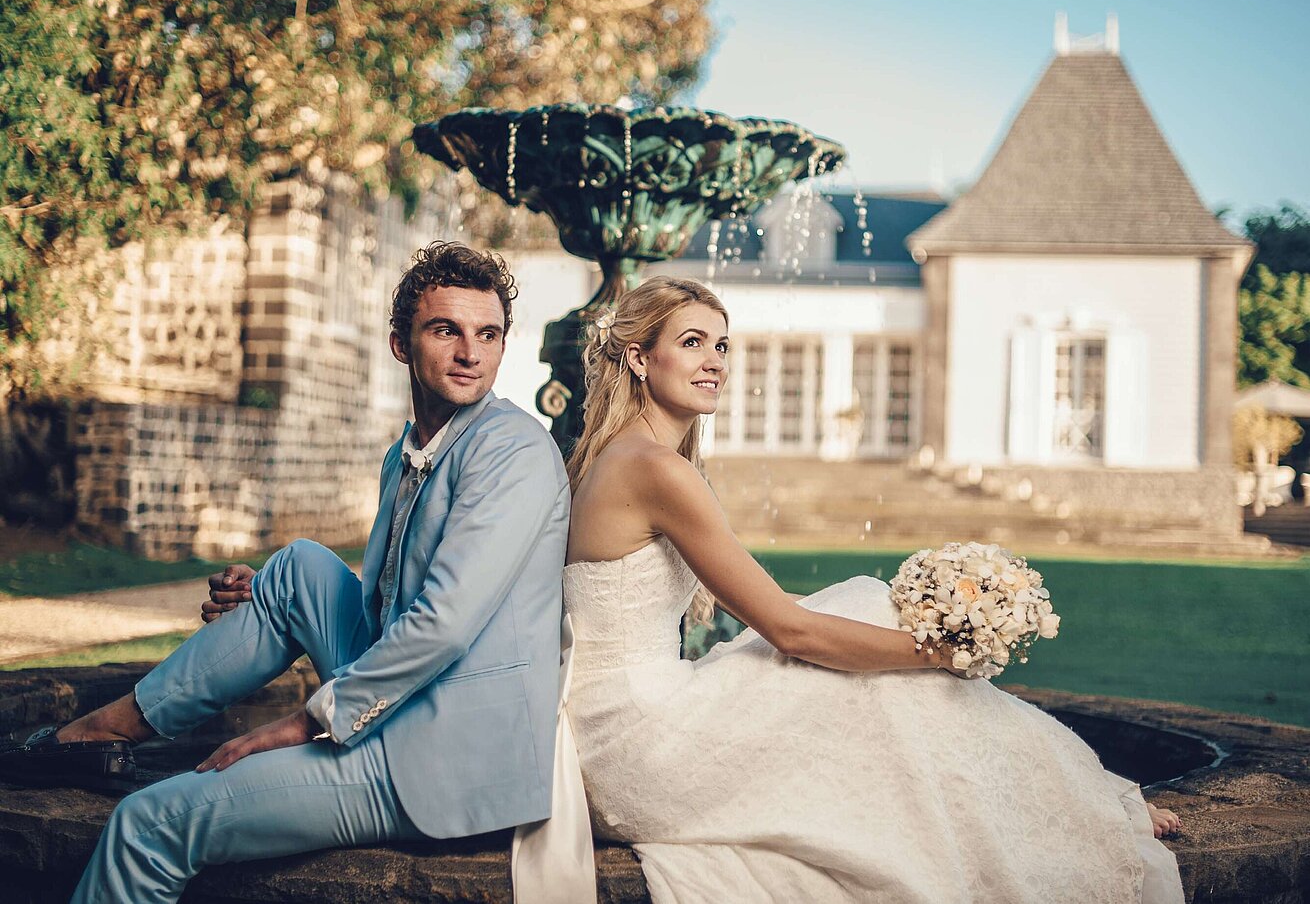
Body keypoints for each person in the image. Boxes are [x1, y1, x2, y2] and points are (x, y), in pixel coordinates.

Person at [560, 275, 1185, 904]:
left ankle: (1079, 795)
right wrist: (939, 653)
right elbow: (791, 629)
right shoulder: (653, 467)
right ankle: (1082, 803)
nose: (714, 363)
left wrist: (909, 634)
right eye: (692, 343)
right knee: (873, 638)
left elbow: (767, 606)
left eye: (722, 346)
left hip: (613, 722)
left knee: (859, 613)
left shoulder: (627, 455)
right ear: (639, 357)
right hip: (636, 741)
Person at [0, 241, 571, 903]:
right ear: (400, 344)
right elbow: (396, 596)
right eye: (447, 330)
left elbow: (442, 624)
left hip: (442, 756)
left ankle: (112, 746)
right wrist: (270, 599)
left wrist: (306, 721)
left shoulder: (513, 452)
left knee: (146, 821)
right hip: (410, 705)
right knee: (296, 564)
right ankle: (115, 725)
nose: (471, 352)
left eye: (489, 334)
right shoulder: (407, 452)